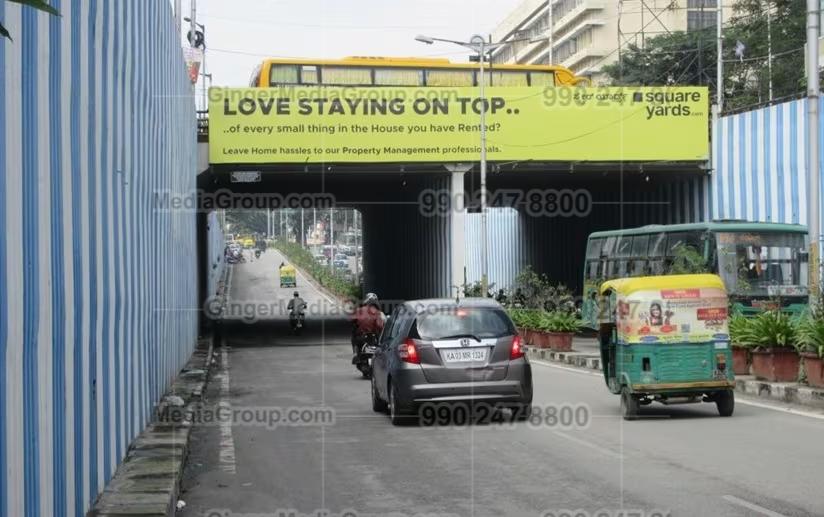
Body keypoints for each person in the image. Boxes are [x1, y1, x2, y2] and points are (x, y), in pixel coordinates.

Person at [351, 292, 385, 360]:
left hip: (362, 335)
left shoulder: (360, 310)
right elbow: (380, 325)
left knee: (353, 334)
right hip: (375, 337)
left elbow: (353, 320)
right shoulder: (378, 312)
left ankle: (355, 352)